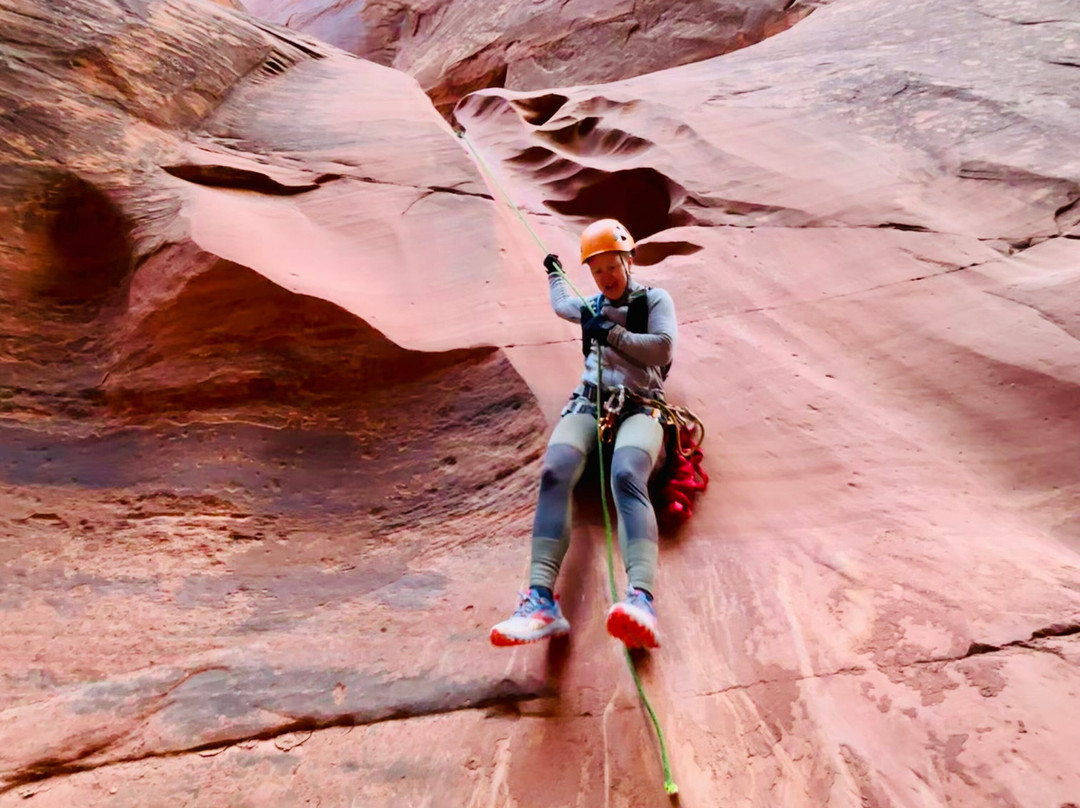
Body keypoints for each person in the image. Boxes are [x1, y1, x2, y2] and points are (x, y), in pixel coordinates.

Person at [490, 219, 677, 650]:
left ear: (629, 261)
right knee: (555, 471)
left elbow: (663, 347)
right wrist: (555, 274)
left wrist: (609, 333)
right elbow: (561, 305)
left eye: (613, 267)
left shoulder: (653, 300)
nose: (606, 278)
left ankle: (641, 601)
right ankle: (539, 602)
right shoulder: (588, 305)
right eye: (597, 271)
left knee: (627, 474)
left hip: (640, 406)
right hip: (588, 402)